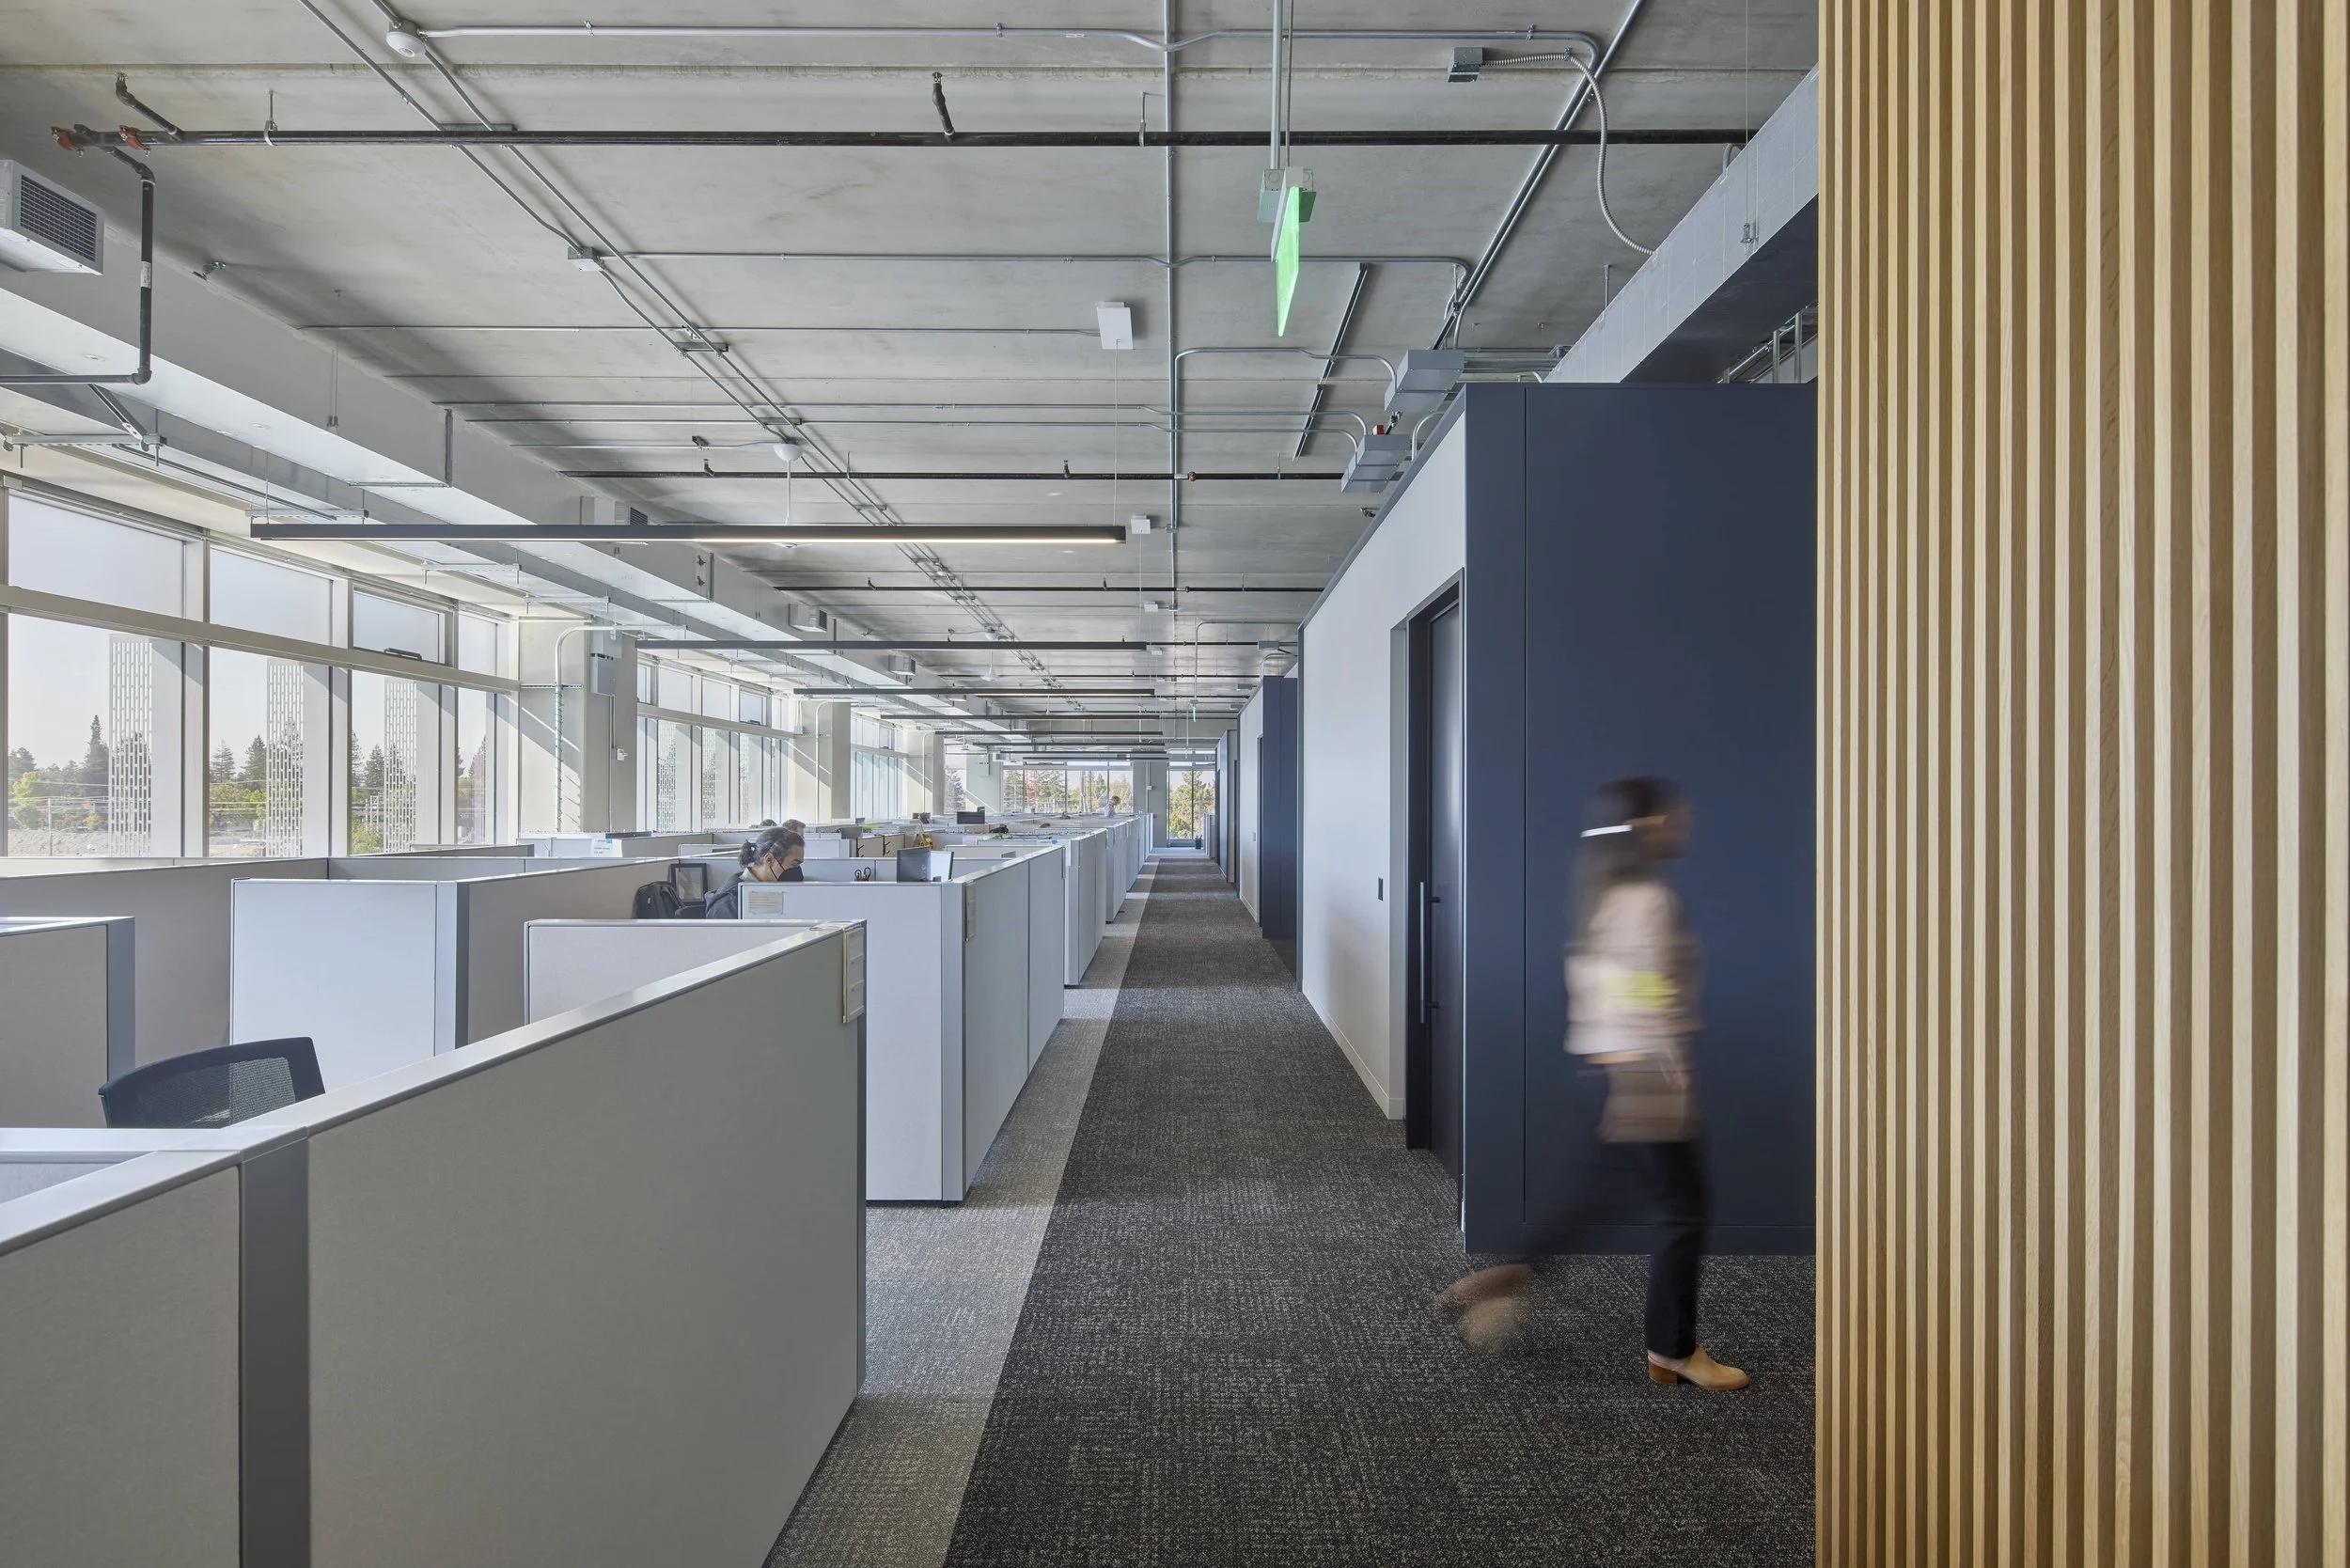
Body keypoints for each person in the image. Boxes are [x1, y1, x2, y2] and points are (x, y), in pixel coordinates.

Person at [1564, 776, 1745, 1390]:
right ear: (1649, 825)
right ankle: (1673, 1351)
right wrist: (1662, 1070)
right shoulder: (1644, 900)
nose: (1684, 820)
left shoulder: (1605, 890)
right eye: (1675, 812)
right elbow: (1640, 989)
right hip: (1644, 1069)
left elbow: (1601, 978)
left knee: (1604, 1199)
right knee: (1683, 1210)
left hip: (1620, 1062)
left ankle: (1512, 1277)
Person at [704, 825, 804, 917]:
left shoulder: (770, 892)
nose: (796, 870)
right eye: (794, 864)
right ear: (769, 860)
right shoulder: (730, 903)